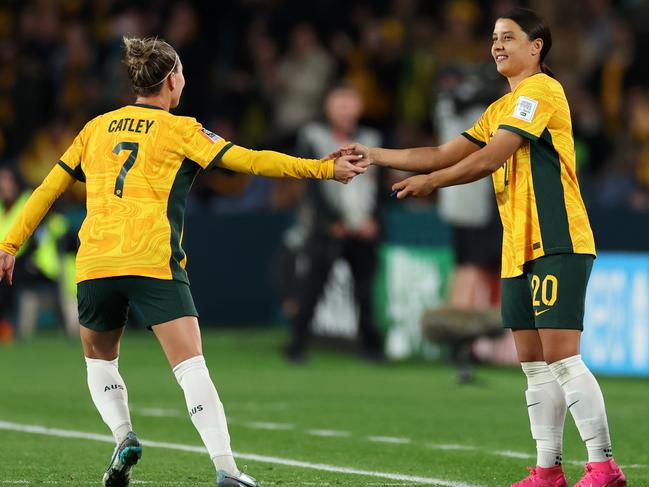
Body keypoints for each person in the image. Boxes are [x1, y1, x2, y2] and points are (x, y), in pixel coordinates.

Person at [0, 36, 366, 487]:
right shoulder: (182, 131)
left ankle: (123, 435)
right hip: (152, 261)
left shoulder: (95, 128)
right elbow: (250, 162)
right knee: (191, 367)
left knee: (99, 362)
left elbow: (48, 188)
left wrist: (9, 244)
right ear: (172, 80)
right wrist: (323, 168)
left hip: (96, 263)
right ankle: (226, 469)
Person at [335, 8, 626, 487]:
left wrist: (432, 183)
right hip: (517, 247)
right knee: (534, 366)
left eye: (508, 37)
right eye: (494, 38)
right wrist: (376, 155)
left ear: (537, 47)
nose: (497, 45)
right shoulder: (500, 108)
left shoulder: (541, 92)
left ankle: (603, 465)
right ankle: (549, 471)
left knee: (562, 359)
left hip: (557, 239)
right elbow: (442, 153)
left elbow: (491, 158)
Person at [282, 83, 385, 363]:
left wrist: (374, 221)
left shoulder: (372, 138)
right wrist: (329, 220)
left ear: (359, 107)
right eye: (339, 103)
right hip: (327, 228)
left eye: (350, 103)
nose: (345, 110)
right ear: (328, 107)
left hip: (362, 228)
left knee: (365, 291)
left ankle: (372, 347)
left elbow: (380, 185)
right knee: (312, 287)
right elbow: (311, 182)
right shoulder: (313, 136)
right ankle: (297, 344)